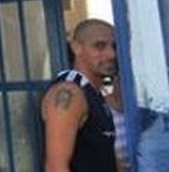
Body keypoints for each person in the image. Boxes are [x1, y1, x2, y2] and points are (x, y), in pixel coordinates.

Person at [41, 18, 118, 172]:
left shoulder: (94, 94)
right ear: (77, 48)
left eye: (114, 46)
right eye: (100, 46)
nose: (111, 54)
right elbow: (56, 167)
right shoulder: (69, 92)